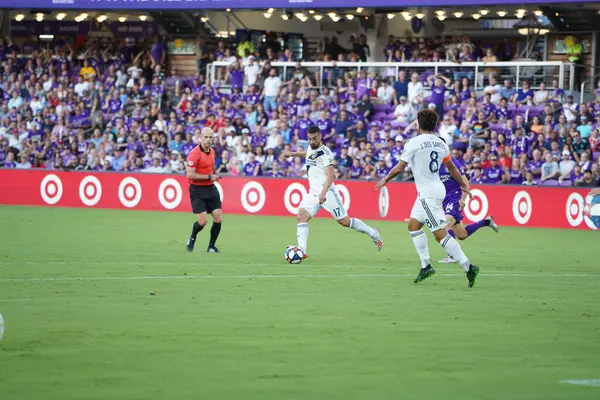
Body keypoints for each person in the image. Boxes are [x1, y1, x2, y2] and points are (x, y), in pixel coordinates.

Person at [375, 109, 481, 288]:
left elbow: (401, 167)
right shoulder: (441, 143)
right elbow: (452, 168)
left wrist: (385, 179)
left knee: (440, 235)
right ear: (435, 125)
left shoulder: (413, 143)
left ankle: (468, 266)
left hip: (428, 194)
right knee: (414, 226)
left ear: (418, 124)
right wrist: (463, 184)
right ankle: (426, 266)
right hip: (433, 190)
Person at [282, 126, 382, 257]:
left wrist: (323, 193)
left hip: (327, 192)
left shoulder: (325, 153)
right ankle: (302, 251)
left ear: (320, 136)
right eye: (310, 138)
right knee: (301, 216)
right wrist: (293, 154)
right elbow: (308, 155)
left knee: (345, 222)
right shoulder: (310, 147)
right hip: (313, 193)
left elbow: (330, 175)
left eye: (315, 138)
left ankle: (373, 233)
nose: (312, 141)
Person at [437, 157, 499, 264]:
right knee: (462, 235)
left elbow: (465, 182)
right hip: (446, 200)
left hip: (455, 197)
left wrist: (463, 199)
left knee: (445, 225)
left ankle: (452, 255)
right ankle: (487, 222)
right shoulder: (434, 164)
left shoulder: (452, 162)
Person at [185, 127, 223, 253]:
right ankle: (192, 237)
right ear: (201, 137)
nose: (208, 140)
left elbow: (210, 170)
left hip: (210, 188)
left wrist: (215, 175)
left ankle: (211, 246)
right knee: (203, 221)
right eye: (206, 137)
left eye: (210, 137)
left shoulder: (212, 152)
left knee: (218, 218)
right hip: (197, 190)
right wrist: (209, 177)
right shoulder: (194, 154)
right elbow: (190, 175)